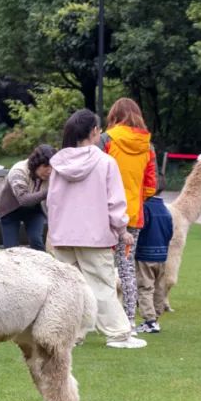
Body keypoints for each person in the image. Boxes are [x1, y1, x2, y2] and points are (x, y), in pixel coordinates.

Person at [46, 109, 146, 349]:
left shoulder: (58, 163)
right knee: (101, 285)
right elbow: (115, 201)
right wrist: (121, 229)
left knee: (70, 289)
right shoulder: (105, 162)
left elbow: (51, 201)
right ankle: (118, 333)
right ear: (94, 131)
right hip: (94, 235)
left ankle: (73, 335)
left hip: (63, 235)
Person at [101, 98, 157, 326]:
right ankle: (129, 318)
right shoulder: (148, 146)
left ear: (114, 116)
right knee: (127, 268)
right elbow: (151, 186)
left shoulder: (106, 140)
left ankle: (102, 317)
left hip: (104, 214)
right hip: (133, 216)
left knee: (101, 265)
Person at [0, 144, 54, 250]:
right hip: (10, 209)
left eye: (52, 167)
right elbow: (24, 200)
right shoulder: (18, 171)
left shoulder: (52, 174)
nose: (49, 171)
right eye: (46, 166)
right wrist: (48, 191)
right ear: (36, 164)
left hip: (35, 209)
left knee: (36, 241)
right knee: (11, 249)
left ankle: (41, 261)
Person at [133, 195, 173, 334]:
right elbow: (170, 232)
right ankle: (155, 317)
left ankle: (149, 320)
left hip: (145, 254)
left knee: (145, 286)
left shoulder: (145, 208)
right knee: (159, 286)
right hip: (161, 255)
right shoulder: (165, 209)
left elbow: (140, 229)